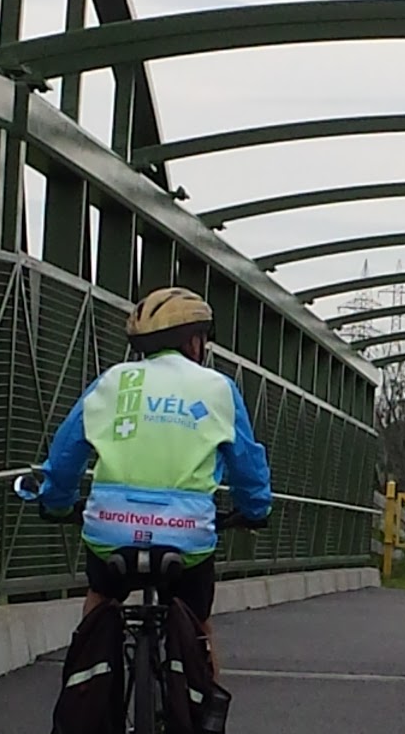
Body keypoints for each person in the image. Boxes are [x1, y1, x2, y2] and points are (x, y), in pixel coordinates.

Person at [34, 286, 273, 690]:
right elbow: (247, 465)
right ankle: (202, 715)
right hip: (187, 537)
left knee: (100, 601)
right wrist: (255, 510)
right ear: (194, 341)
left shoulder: (111, 382)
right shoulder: (218, 388)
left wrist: (56, 502)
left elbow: (67, 451)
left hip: (111, 528)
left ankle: (85, 694)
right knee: (198, 623)